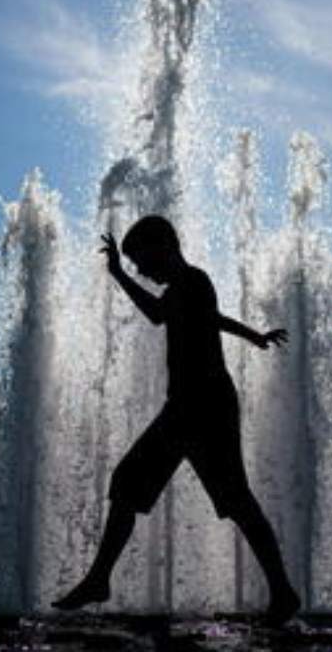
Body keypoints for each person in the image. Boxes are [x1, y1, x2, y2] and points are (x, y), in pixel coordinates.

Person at [52, 214, 301, 623]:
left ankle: (282, 591)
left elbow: (155, 314)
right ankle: (99, 578)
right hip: (190, 405)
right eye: (133, 265)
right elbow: (210, 319)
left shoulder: (192, 282)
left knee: (231, 499)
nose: (141, 270)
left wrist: (116, 274)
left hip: (203, 406)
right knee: (132, 484)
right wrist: (254, 336)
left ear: (164, 246)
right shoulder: (190, 287)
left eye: (141, 260)